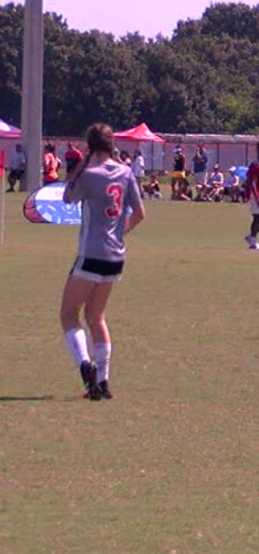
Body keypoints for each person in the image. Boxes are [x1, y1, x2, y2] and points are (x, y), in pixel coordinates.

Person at [59, 124, 145, 400]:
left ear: (90, 146)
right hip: (116, 256)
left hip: (91, 254)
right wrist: (119, 233)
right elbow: (140, 213)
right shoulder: (126, 172)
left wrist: (83, 164)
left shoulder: (90, 174)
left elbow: (68, 196)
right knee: (96, 316)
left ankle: (85, 364)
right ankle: (103, 382)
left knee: (68, 313)